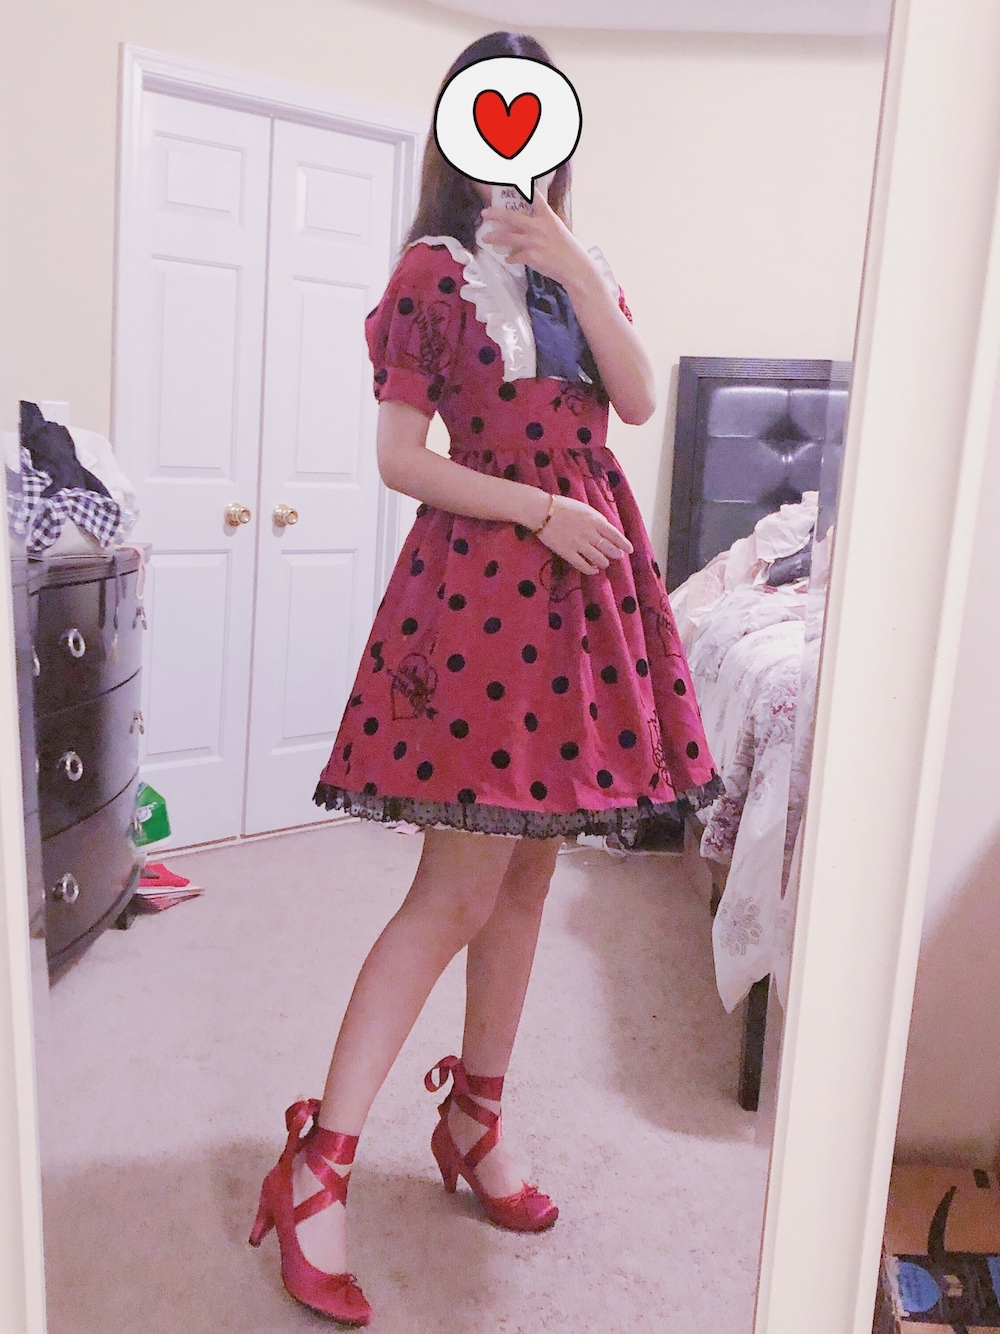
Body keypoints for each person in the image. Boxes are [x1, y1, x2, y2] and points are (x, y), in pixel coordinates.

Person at [249, 30, 721, 1326]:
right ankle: (317, 1166)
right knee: (454, 888)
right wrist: (536, 510)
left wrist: (577, 264)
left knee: (527, 880)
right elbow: (403, 458)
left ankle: (473, 1121)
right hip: (487, 590)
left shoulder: (584, 268)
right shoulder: (429, 272)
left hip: (584, 596)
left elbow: (635, 400)